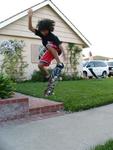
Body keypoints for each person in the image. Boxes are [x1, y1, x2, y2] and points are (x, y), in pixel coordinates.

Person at [28, 9, 65, 81]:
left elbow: (59, 45)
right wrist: (30, 17)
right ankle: (49, 76)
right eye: (42, 31)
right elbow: (30, 28)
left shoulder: (52, 36)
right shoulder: (41, 33)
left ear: (49, 29)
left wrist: (64, 53)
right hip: (50, 50)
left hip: (57, 50)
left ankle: (59, 63)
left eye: (45, 31)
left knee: (48, 45)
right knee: (40, 65)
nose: (43, 32)